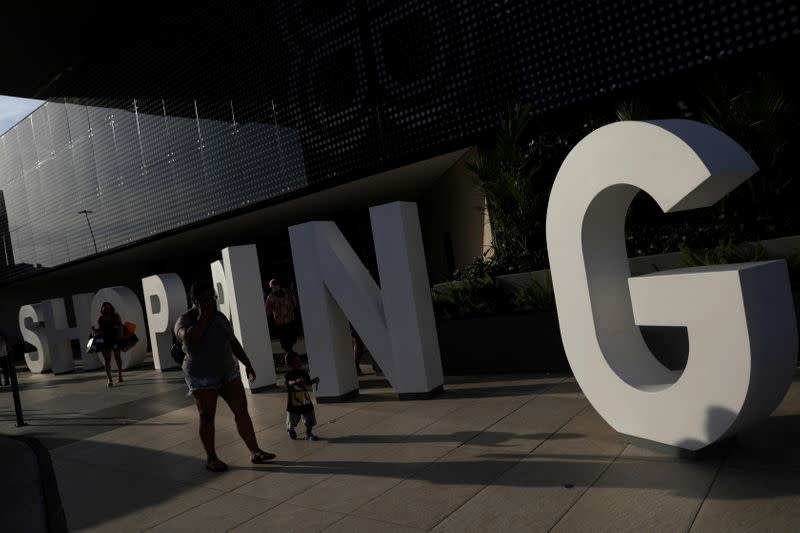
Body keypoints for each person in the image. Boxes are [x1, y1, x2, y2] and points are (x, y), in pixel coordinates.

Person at [175, 280, 275, 472]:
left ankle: (255, 451)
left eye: (213, 297)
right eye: (206, 299)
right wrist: (203, 316)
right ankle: (211, 458)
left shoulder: (219, 317)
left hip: (227, 371)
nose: (212, 302)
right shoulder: (184, 320)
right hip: (201, 376)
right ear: (195, 300)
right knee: (207, 416)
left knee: (242, 410)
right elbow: (189, 337)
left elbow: (232, 341)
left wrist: (247, 363)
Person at [285, 352, 320, 441]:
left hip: (305, 400)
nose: (298, 363)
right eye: (295, 361)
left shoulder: (303, 373)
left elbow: (307, 383)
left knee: (309, 416)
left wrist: (314, 381)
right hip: (294, 401)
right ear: (289, 364)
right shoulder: (288, 375)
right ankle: (291, 429)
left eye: (299, 361)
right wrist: (295, 381)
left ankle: (309, 433)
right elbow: (288, 383)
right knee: (292, 418)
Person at [94, 302, 124, 387]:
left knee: (117, 358)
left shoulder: (115, 316)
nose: (106, 309)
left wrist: (116, 327)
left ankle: (120, 374)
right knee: (107, 360)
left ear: (111, 308)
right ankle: (109, 379)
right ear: (102, 309)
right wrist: (95, 330)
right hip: (105, 341)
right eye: (104, 307)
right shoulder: (100, 318)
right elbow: (99, 329)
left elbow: (121, 326)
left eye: (107, 307)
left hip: (114, 339)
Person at [266, 279, 298, 359]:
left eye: (276, 285)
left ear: (279, 285)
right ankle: (289, 354)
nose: (275, 287)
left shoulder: (286, 292)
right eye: (273, 286)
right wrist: (267, 320)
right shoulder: (270, 297)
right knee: (284, 340)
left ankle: (290, 353)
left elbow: (293, 302)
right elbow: (268, 310)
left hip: (290, 319)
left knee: (291, 338)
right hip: (280, 323)